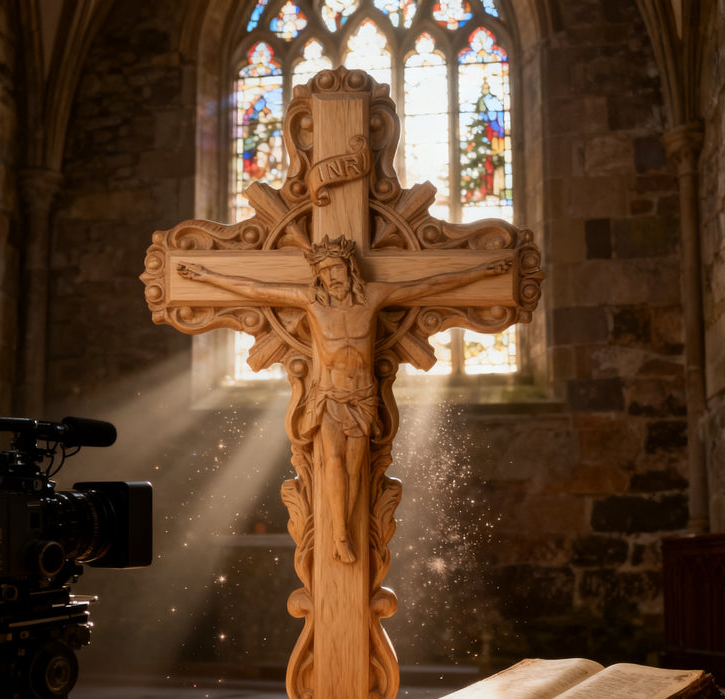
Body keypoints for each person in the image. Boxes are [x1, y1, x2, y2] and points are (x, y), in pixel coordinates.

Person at [178, 235, 510, 563]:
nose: (332, 277)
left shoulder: (374, 297)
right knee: (332, 464)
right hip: (328, 397)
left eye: (336, 269)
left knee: (355, 469)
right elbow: (257, 289)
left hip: (362, 397)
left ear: (349, 267)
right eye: (324, 272)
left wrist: (483, 270)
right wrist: (208, 277)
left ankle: (346, 527)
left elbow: (429, 286)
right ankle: (339, 533)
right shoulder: (311, 302)